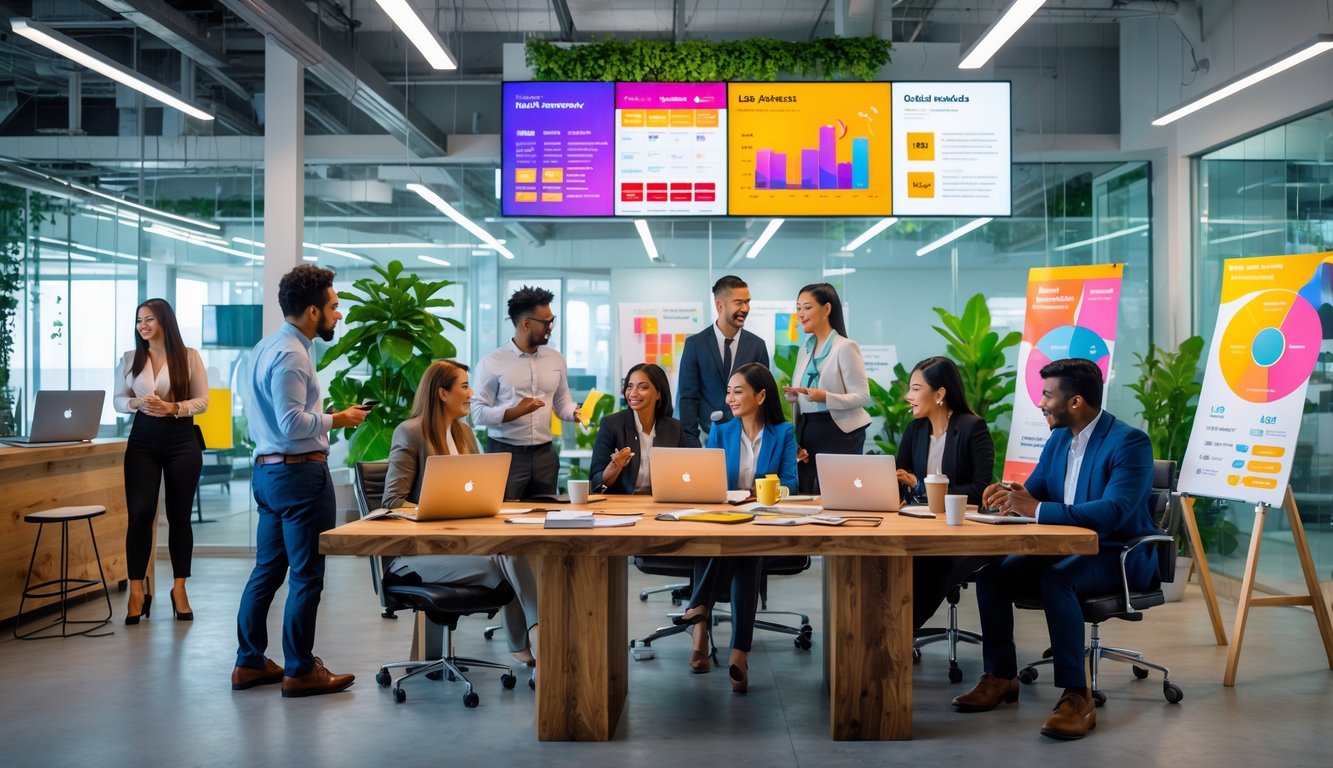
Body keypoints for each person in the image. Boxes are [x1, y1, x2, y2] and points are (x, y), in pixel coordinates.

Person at [952, 358, 1158, 741]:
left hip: (1118, 554)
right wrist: (1012, 495)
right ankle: (1000, 677)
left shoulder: (1129, 442)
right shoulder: (1060, 437)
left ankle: (1076, 695)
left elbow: (1113, 513)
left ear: (1076, 401)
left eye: (1048, 394)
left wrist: (1035, 507)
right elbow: (1037, 491)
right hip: (1066, 547)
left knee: (1057, 580)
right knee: (993, 575)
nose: (1041, 403)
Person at [233, 264, 369, 698]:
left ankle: (250, 663)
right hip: (298, 474)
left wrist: (326, 417)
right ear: (312, 311)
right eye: (333, 306)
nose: (339, 314)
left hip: (269, 473)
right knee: (307, 574)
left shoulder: (265, 346)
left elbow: (276, 418)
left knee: (267, 571)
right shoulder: (293, 353)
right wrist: (339, 418)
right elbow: (293, 424)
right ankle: (300, 669)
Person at [381, 360, 539, 665]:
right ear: (442, 393)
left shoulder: (464, 434)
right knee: (511, 562)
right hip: (417, 557)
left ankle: (528, 640)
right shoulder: (410, 433)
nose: (471, 393)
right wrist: (436, 509)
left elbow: (477, 489)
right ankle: (533, 637)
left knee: (516, 552)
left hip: (462, 549)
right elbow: (392, 501)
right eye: (465, 386)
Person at [676, 362, 798, 694]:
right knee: (732, 543)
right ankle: (739, 655)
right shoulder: (721, 432)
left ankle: (698, 608)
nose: (730, 398)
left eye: (738, 391)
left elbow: (790, 484)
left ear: (760, 396)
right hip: (726, 520)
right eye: (728, 391)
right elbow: (710, 480)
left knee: (744, 546)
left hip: (763, 521)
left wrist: (759, 494)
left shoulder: (783, 432)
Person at [113, 298, 210, 624]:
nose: (142, 325)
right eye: (139, 319)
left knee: (179, 517)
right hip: (142, 441)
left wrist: (173, 408)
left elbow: (203, 401)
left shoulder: (189, 357)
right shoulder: (129, 359)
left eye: (149, 319)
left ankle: (179, 588)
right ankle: (138, 590)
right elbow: (117, 399)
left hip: (182, 441)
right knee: (139, 514)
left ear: (165, 322)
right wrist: (136, 404)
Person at [894, 356, 995, 630]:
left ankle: (901, 633)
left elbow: (979, 490)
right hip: (920, 527)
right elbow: (897, 476)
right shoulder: (915, 430)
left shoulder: (972, 428)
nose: (908, 396)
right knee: (887, 560)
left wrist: (920, 487)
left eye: (916, 389)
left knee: (929, 563)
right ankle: (887, 630)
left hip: (961, 533)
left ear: (939, 393)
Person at [471, 285, 581, 500]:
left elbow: (562, 402)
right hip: (505, 453)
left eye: (552, 320)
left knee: (545, 514)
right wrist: (515, 411)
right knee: (503, 517)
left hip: (545, 454)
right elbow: (477, 413)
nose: (551, 326)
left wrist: (573, 413)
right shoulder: (491, 363)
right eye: (546, 322)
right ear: (526, 323)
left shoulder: (556, 359)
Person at [782, 283, 871, 493]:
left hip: (839, 431)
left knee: (835, 493)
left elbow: (862, 396)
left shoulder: (845, 347)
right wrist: (794, 396)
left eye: (807, 307)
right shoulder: (805, 348)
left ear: (827, 309)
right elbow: (804, 392)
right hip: (809, 428)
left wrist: (826, 397)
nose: (800, 314)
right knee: (808, 491)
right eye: (798, 308)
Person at [676, 275, 770, 446]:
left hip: (749, 439)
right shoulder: (695, 345)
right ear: (720, 305)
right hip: (706, 437)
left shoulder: (757, 346)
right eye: (738, 302)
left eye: (747, 302)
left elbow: (764, 398)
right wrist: (691, 441)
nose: (745, 308)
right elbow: (688, 398)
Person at [590, 363, 697, 494]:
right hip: (620, 506)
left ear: (658, 393)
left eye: (642, 387)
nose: (633, 393)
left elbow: (688, 473)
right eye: (629, 387)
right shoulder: (611, 424)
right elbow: (596, 482)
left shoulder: (674, 428)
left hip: (661, 503)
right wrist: (616, 465)